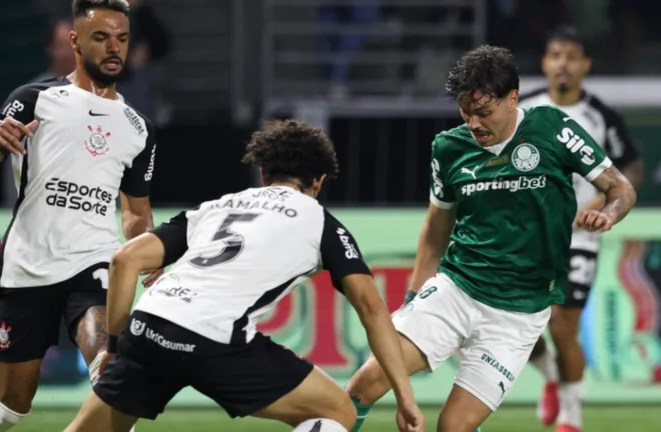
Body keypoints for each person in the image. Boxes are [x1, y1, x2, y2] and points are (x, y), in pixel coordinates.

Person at [343, 45, 637, 432]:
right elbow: (436, 229)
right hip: (456, 290)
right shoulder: (448, 148)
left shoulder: (552, 127)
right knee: (361, 387)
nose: (474, 123)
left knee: (453, 426)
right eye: (465, 112)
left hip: (518, 314)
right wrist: (414, 298)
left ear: (512, 98)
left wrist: (608, 213)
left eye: (483, 111)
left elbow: (621, 188)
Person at [63, 119, 425, 432]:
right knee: (337, 411)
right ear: (319, 181)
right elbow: (371, 309)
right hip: (215, 338)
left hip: (150, 325)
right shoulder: (321, 223)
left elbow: (124, 260)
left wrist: (116, 347)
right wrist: (405, 397)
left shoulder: (218, 206)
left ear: (263, 173)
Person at [0, 1, 158, 431]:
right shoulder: (33, 100)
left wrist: (148, 251)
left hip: (94, 261)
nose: (114, 48)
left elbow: (135, 212)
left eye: (122, 39)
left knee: (110, 366)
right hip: (28, 266)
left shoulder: (138, 126)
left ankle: (111, 390)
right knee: (10, 409)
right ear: (75, 41)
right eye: (101, 37)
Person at [518, 27, 643, 432]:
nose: (564, 64)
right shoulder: (524, 109)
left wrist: (602, 201)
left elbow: (632, 169)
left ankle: (571, 419)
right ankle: (551, 374)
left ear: (585, 65)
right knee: (518, 323)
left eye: (572, 57)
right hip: (528, 236)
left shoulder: (602, 116)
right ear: (545, 63)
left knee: (563, 326)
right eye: (556, 55)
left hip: (579, 236)